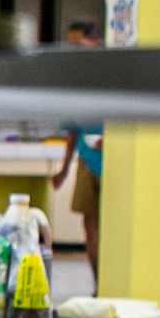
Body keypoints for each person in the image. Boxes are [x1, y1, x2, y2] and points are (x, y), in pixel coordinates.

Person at [52, 21, 104, 283]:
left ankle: (110, 281)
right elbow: (73, 130)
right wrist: (63, 170)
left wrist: (112, 138)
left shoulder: (112, 76)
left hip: (115, 163)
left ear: (95, 42)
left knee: (112, 227)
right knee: (90, 227)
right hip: (87, 161)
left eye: (77, 43)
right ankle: (99, 284)